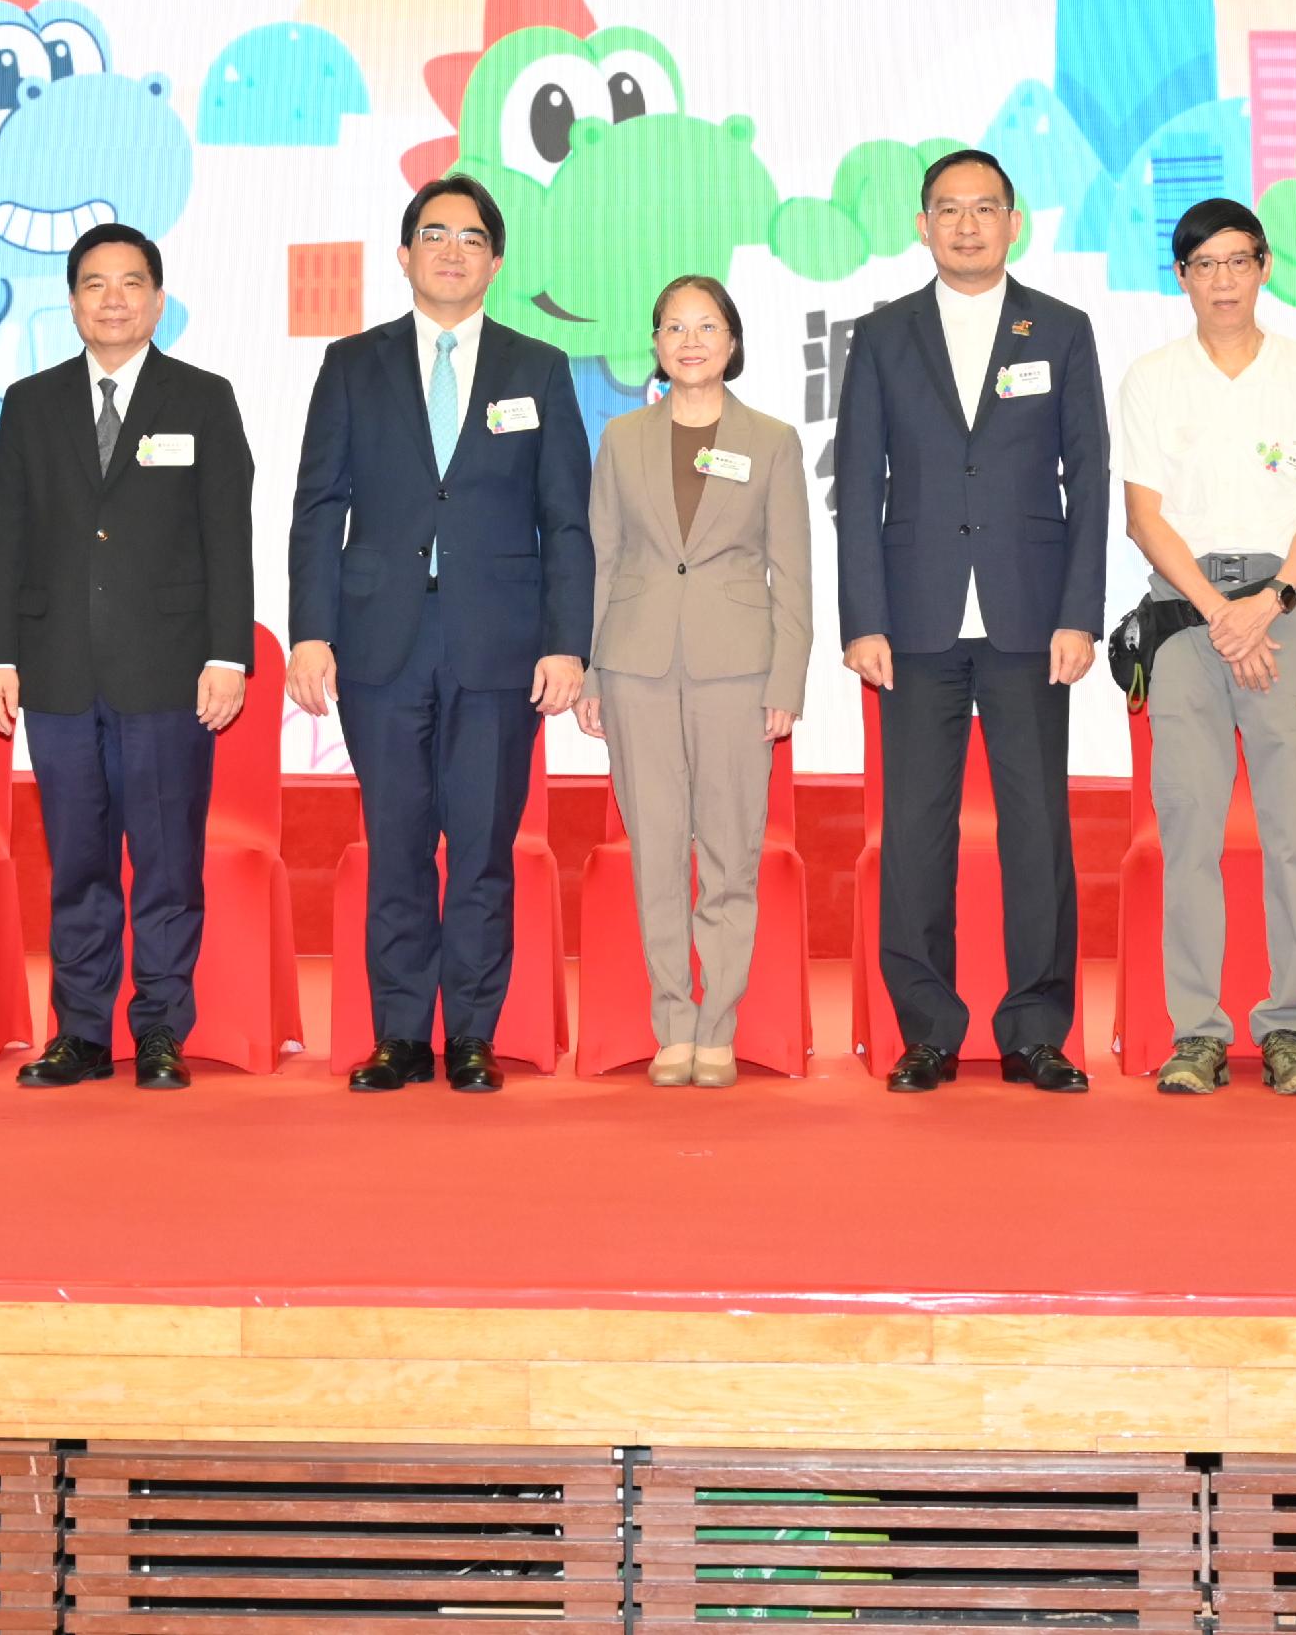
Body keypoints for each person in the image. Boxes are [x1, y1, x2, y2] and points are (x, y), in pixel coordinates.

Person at [287, 173, 593, 1095]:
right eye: (434, 233)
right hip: (379, 642)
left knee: (484, 848)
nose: (452, 250)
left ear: (496, 262)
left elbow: (565, 518)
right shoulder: (353, 363)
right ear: (404, 254)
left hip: (499, 644)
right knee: (398, 843)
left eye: (471, 238)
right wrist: (311, 631)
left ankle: (471, 1033)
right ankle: (399, 1034)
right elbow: (319, 506)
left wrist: (567, 640)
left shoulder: (539, 367)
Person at [835, 149, 1109, 1095]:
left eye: (984, 207)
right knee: (916, 832)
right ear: (922, 225)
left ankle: (1036, 1029)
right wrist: (863, 617)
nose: (965, 224)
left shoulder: (1060, 329)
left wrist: (1079, 612)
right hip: (913, 620)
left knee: (1038, 829)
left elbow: (1090, 477)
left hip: (1030, 616)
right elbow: (858, 483)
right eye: (947, 209)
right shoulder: (883, 334)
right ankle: (928, 1030)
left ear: (1013, 222)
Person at [0, 222, 254, 1091]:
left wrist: (229, 653)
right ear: (72, 302)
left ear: (158, 300)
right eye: (95, 283)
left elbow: (227, 534)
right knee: (78, 863)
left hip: (168, 670)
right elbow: (4, 534)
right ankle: (82, 1032)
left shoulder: (202, 398)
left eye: (131, 283)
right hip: (56, 669)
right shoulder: (31, 402)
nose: (114, 299)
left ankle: (161, 1028)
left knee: (166, 863)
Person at [1114, 197, 1296, 1099]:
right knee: (1188, 830)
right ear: (1182, 277)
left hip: (1286, 602)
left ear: (1265, 266)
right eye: (1204, 264)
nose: (1222, 279)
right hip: (1186, 612)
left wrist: (1269, 603)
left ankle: (1291, 1026)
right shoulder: (1152, 377)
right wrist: (1225, 613)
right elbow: (1145, 519)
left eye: (1238, 260)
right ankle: (1199, 1031)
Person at [577, 275, 812, 1087]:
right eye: (673, 327)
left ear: (732, 341)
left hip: (737, 669)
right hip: (635, 666)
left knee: (729, 852)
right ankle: (672, 1020)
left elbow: (793, 572)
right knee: (654, 850)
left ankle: (719, 1026)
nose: (689, 340)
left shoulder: (773, 440)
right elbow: (603, 558)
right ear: (655, 344)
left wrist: (787, 679)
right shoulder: (621, 439)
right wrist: (592, 670)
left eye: (706, 326)